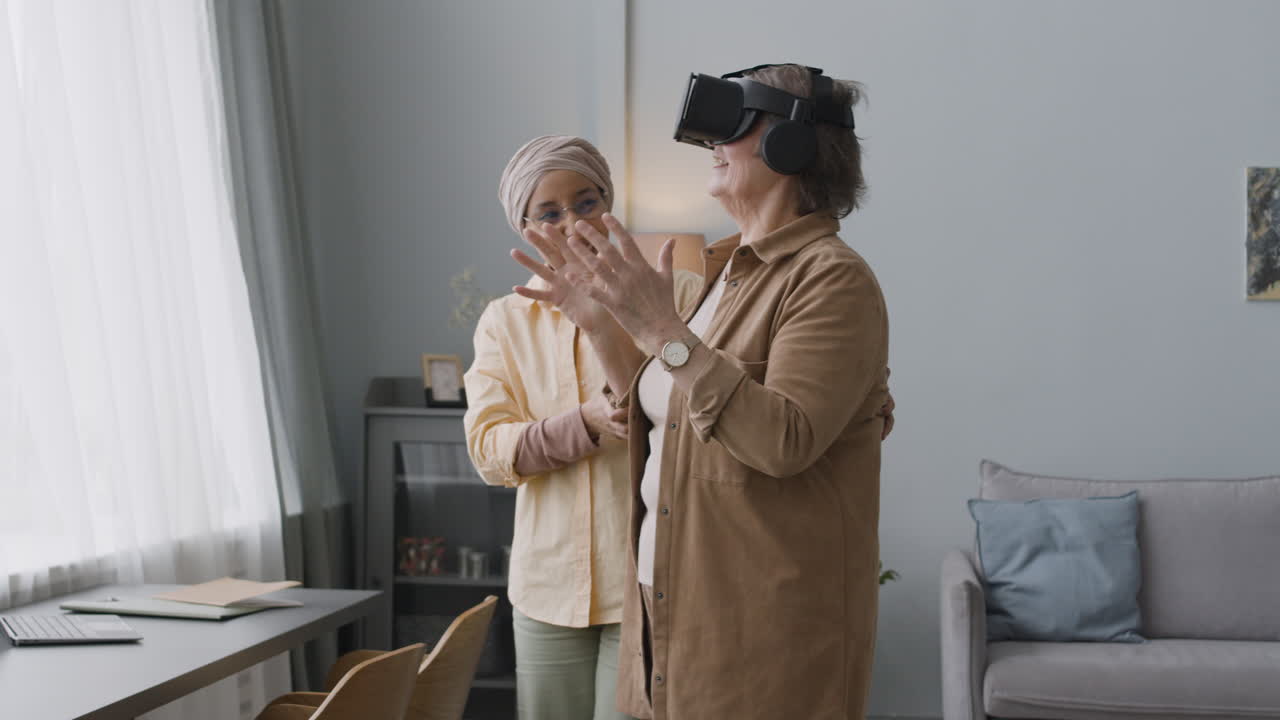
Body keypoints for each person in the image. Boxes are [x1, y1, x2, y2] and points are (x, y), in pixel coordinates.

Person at [512, 64, 889, 719]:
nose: (713, 145)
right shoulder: (725, 273)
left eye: (737, 127)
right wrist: (603, 322)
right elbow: (663, 415)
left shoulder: (832, 280)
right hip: (676, 611)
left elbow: (784, 440)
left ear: (791, 146)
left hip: (764, 629)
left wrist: (662, 327)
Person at [464, 135, 706, 720]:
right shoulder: (505, 320)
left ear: (610, 203)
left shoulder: (677, 294)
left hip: (648, 581)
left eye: (587, 201)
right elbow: (489, 451)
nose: (573, 221)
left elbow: (705, 413)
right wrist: (586, 427)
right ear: (526, 227)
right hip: (546, 590)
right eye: (549, 212)